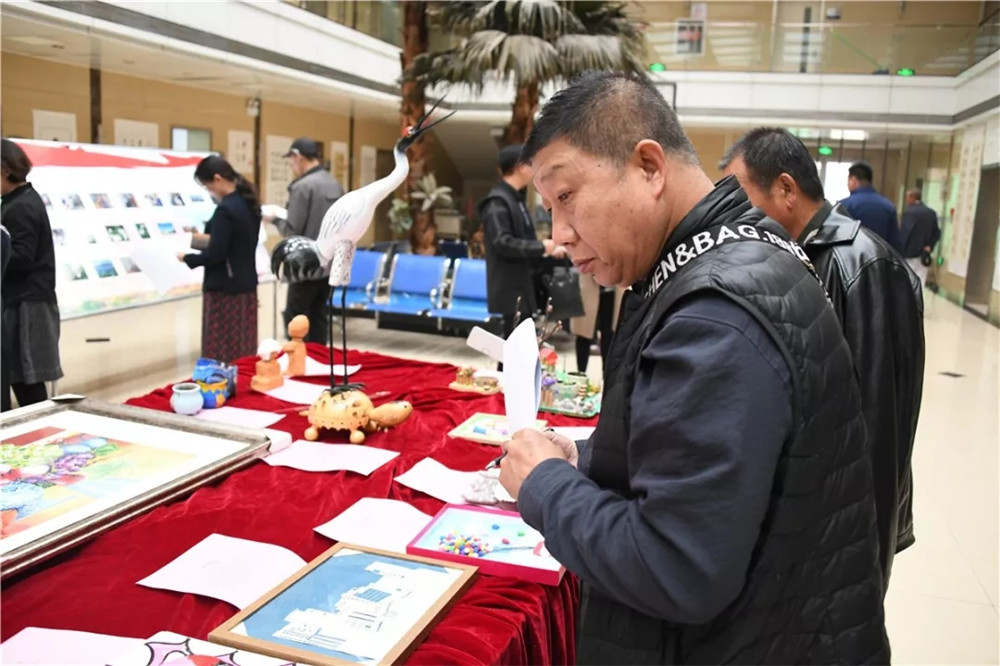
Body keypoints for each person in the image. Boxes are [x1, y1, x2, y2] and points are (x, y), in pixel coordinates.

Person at [498, 72, 888, 664]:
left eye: (567, 197)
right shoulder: (734, 255)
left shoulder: (715, 315)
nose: (560, 234)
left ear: (649, 167)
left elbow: (677, 566)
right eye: (549, 209)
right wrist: (587, 457)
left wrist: (544, 485)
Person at [727, 127, 925, 589]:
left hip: (841, 524)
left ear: (786, 188)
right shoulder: (795, 253)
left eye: (744, 196)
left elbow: (877, 426)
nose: (737, 213)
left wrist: (861, 559)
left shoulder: (864, 266)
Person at [1, 139, 63, 412]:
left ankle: (42, 431)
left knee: (28, 381)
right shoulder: (16, 201)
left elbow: (21, 258)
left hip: (28, 305)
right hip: (22, 301)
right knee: (22, 378)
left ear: (4, 170)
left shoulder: (22, 205)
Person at [180, 156, 261, 364]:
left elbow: (216, 254)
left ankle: (222, 383)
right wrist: (199, 240)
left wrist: (187, 258)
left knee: (221, 352)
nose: (210, 192)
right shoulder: (249, 203)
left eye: (208, 187)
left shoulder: (225, 210)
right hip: (246, 285)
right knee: (244, 348)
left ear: (217, 179)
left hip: (225, 290)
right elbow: (234, 243)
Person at [478, 144, 563, 342]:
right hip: (509, 287)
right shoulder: (497, 201)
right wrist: (542, 247)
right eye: (530, 163)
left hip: (522, 284)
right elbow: (502, 242)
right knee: (512, 344)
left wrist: (545, 249)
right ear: (520, 167)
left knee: (520, 343)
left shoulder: (515, 199)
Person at [274, 137, 344, 345]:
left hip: (304, 267)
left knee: (296, 320)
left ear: (298, 157)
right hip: (329, 265)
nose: (291, 165)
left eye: (291, 160)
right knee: (319, 316)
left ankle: (299, 362)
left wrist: (275, 219)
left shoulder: (302, 187)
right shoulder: (335, 184)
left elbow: (292, 231)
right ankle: (319, 359)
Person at [839, 161, 901, 250]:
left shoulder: (844, 205)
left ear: (853, 181)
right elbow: (894, 243)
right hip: (881, 256)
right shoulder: (888, 206)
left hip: (851, 256)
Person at [899, 188, 940, 286]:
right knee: (920, 281)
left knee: (907, 281)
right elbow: (937, 233)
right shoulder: (931, 213)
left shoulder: (910, 213)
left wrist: (899, 250)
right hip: (924, 254)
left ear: (912, 197)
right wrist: (930, 246)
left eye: (907, 197)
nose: (906, 200)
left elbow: (905, 233)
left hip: (909, 253)